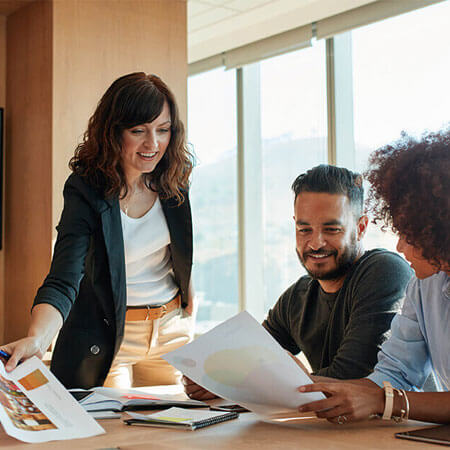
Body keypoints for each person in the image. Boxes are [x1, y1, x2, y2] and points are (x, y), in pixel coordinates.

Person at [0, 72, 196, 389]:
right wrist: (38, 338)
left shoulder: (175, 175)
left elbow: (179, 244)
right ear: (113, 132)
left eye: (163, 130)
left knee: (174, 435)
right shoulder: (85, 189)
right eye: (139, 131)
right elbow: (64, 277)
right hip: (110, 337)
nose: (153, 144)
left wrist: (190, 294)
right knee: (110, 436)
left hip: (172, 332)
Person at [184, 164, 411, 400]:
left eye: (331, 229)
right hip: (338, 431)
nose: (315, 243)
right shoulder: (298, 297)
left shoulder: (385, 272)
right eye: (304, 229)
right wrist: (210, 381)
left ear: (361, 227)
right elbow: (246, 361)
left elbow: (349, 381)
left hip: (402, 429)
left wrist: (249, 380)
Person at [298, 129, 450, 424]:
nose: (400, 246)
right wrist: (303, 389)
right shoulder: (422, 286)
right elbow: (395, 373)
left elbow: (385, 396)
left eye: (412, 235)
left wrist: (384, 401)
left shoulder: (386, 270)